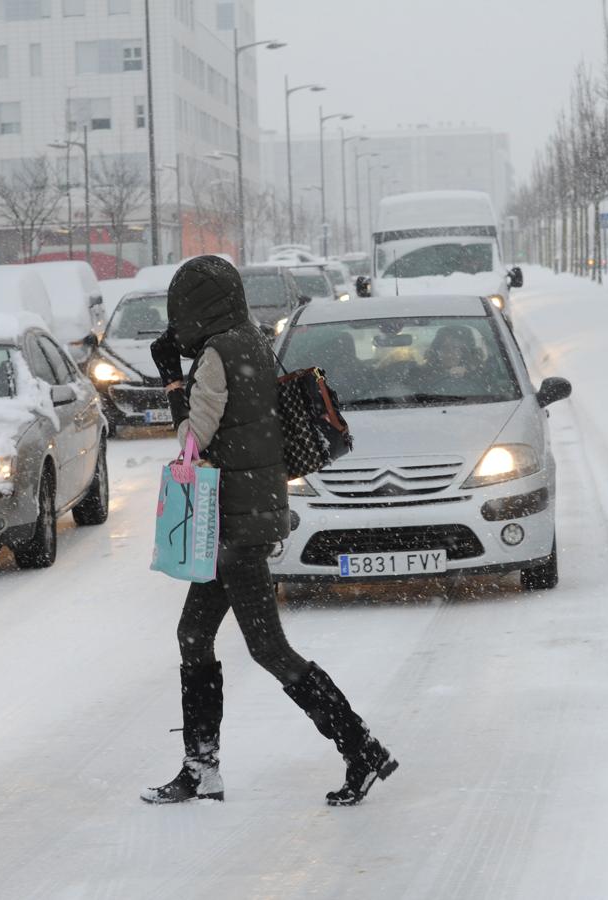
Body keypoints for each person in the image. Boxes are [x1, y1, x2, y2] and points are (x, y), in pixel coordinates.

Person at [142, 255, 398, 808]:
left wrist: (170, 383)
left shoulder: (216, 354)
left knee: (269, 649)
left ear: (194, 308)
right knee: (193, 635)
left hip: (235, 523)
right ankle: (201, 767)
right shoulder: (252, 340)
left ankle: (361, 748)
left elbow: (193, 442)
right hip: (242, 518)